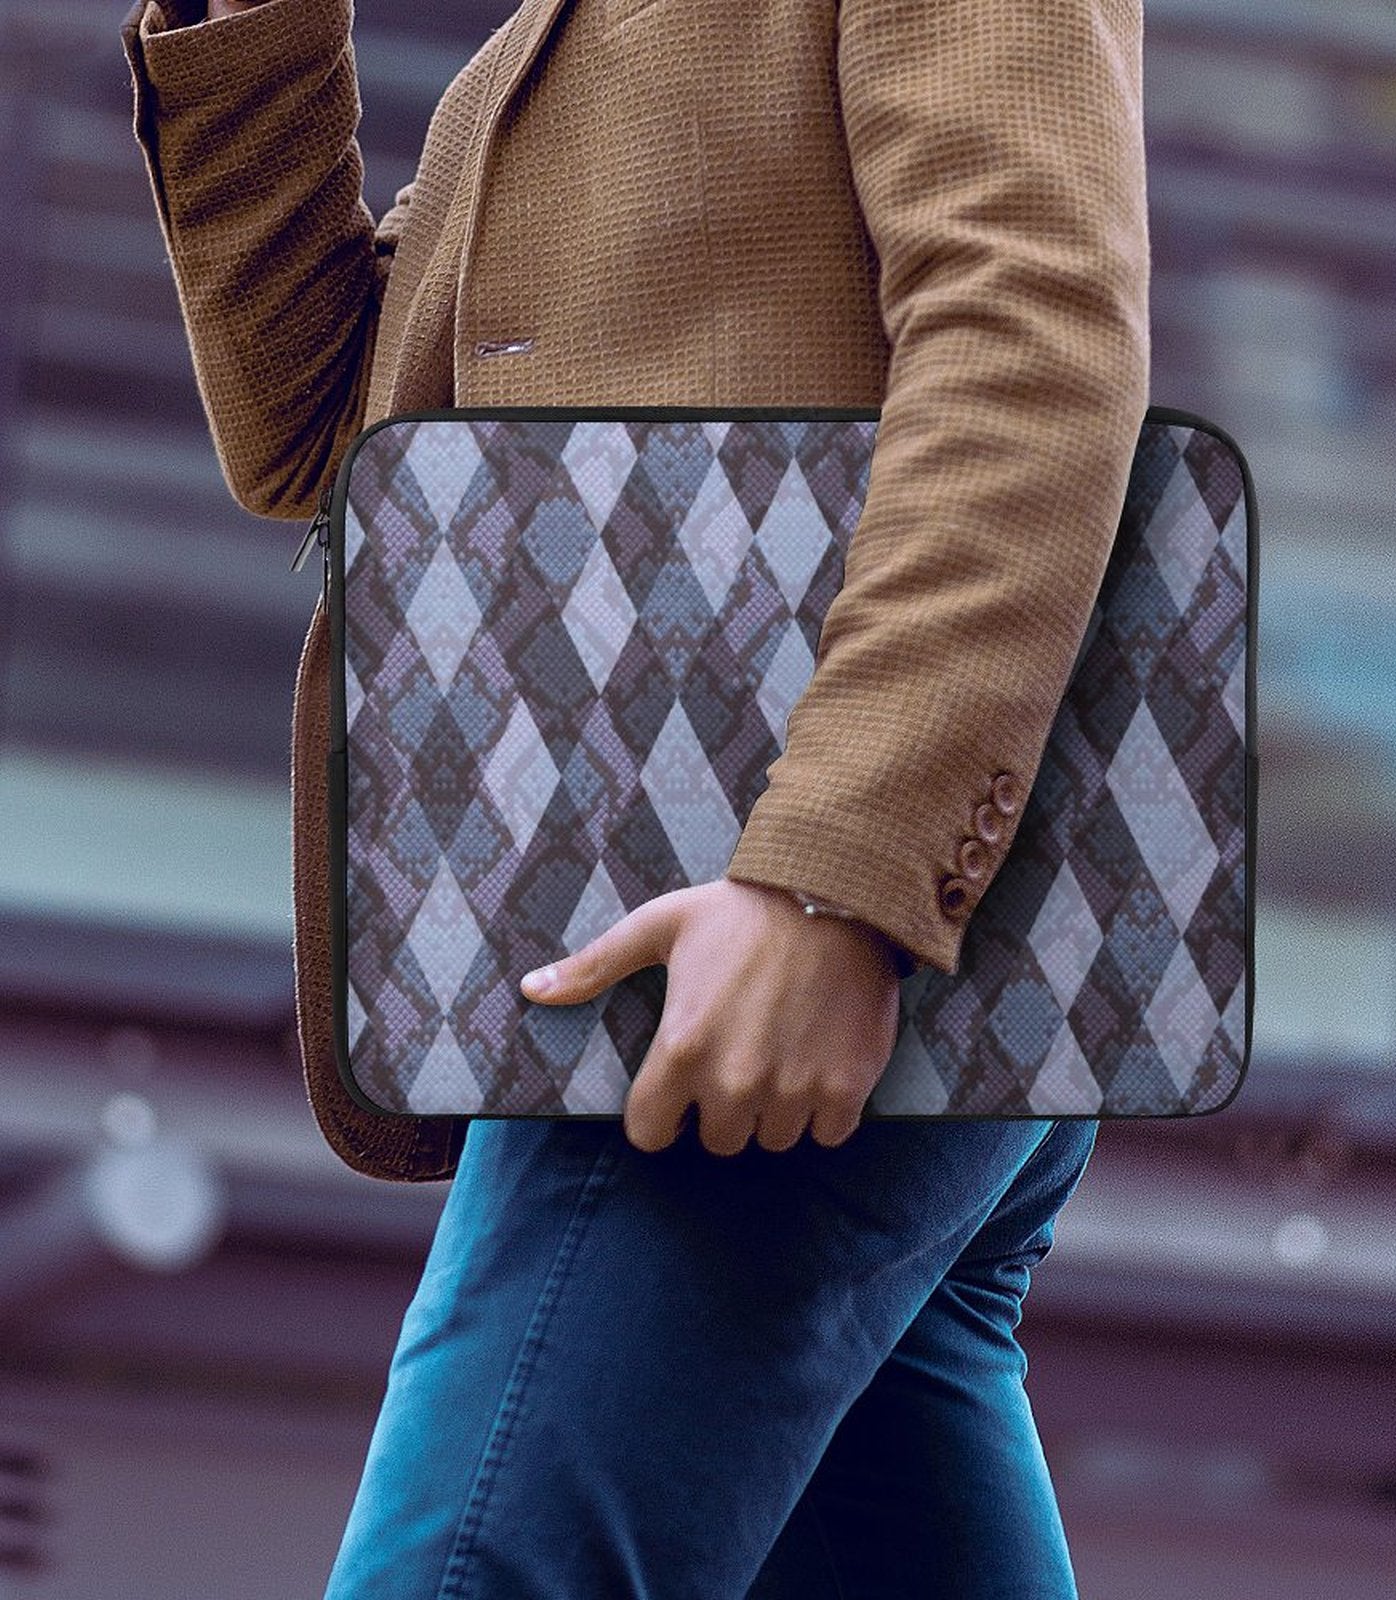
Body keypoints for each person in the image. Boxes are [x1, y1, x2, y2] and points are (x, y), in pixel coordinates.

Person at [119, 0, 1149, 1592]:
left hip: (748, 917)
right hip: (723, 920)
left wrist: (836, 882)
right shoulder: (567, 36)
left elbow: (1034, 333)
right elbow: (327, 444)